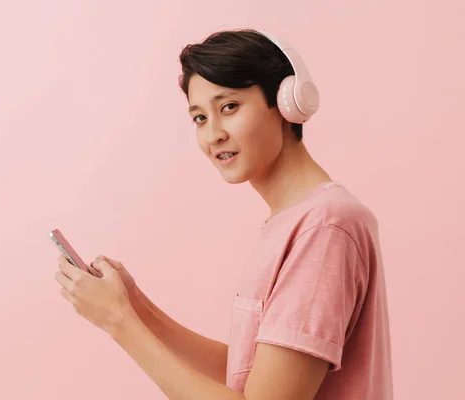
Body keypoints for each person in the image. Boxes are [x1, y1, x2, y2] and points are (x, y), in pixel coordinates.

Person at [53, 28, 394, 399]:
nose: (213, 134)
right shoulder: (297, 220)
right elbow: (250, 377)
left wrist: (118, 322)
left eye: (229, 107)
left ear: (285, 103)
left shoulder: (325, 227)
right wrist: (136, 307)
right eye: (199, 118)